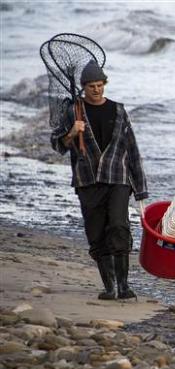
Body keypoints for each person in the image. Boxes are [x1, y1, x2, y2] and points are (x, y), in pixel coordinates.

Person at [50, 60, 148, 300]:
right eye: (91, 86)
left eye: (100, 85)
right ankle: (109, 286)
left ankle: (123, 286)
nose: (96, 89)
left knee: (118, 226)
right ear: (83, 87)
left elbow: (132, 149)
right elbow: (57, 145)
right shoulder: (73, 111)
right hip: (87, 181)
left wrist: (141, 190)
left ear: (105, 85)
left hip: (118, 178)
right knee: (96, 235)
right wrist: (72, 132)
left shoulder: (119, 111)